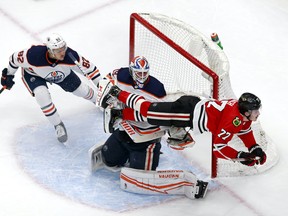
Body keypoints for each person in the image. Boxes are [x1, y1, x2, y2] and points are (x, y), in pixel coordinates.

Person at [89, 56, 208, 199]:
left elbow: (153, 114)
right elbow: (106, 81)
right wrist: (107, 98)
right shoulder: (121, 74)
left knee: (140, 179)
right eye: (139, 73)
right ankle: (126, 155)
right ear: (132, 71)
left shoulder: (157, 89)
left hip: (145, 140)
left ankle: (150, 157)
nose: (142, 77)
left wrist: (121, 112)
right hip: (124, 130)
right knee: (108, 159)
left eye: (145, 73)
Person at [98, 82, 267, 167]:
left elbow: (244, 131)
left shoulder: (241, 118)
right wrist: (240, 156)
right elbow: (218, 148)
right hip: (186, 112)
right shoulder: (232, 119)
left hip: (190, 114)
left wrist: (254, 148)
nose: (257, 114)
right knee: (149, 111)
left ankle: (119, 114)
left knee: (153, 119)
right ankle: (117, 93)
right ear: (245, 112)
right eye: (254, 111)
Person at [1, 33, 102, 143]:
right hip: (34, 74)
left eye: (63, 48)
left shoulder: (71, 56)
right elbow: (14, 59)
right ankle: (58, 124)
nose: (62, 52)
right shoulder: (33, 55)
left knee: (81, 90)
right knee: (41, 95)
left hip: (60, 72)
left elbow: (91, 70)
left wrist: (103, 88)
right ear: (50, 50)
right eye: (58, 50)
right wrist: (9, 75)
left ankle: (100, 101)